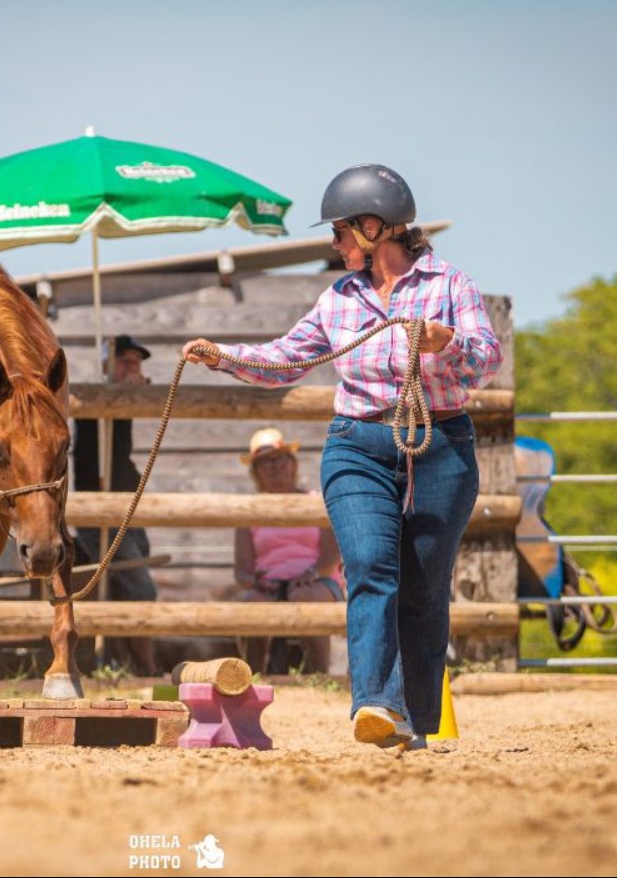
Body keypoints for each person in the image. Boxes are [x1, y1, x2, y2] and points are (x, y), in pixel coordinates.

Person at [183, 164, 502, 749]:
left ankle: (417, 721)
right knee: (370, 568)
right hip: (358, 446)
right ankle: (376, 704)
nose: (334, 243)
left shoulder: (450, 285)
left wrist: (446, 343)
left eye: (340, 231)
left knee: (425, 588)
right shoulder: (337, 299)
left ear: (376, 226)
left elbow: (486, 360)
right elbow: (286, 360)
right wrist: (221, 355)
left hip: (439, 445)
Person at [73, 334, 158, 676]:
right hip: (102, 507)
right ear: (108, 364)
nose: (132, 368)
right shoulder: (96, 394)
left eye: (136, 362)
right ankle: (146, 668)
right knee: (140, 588)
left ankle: (128, 664)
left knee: (128, 587)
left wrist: (136, 392)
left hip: (124, 504)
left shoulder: (123, 395)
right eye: (125, 361)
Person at [234, 426, 345, 675]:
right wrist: (254, 582)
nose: (275, 466)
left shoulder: (315, 501)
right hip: (268, 585)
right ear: (256, 471)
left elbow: (332, 555)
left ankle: (319, 674)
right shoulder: (247, 509)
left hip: (317, 580)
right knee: (251, 604)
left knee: (305, 598)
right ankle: (251, 677)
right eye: (265, 462)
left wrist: (311, 574)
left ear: (291, 462)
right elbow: (241, 571)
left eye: (281, 458)